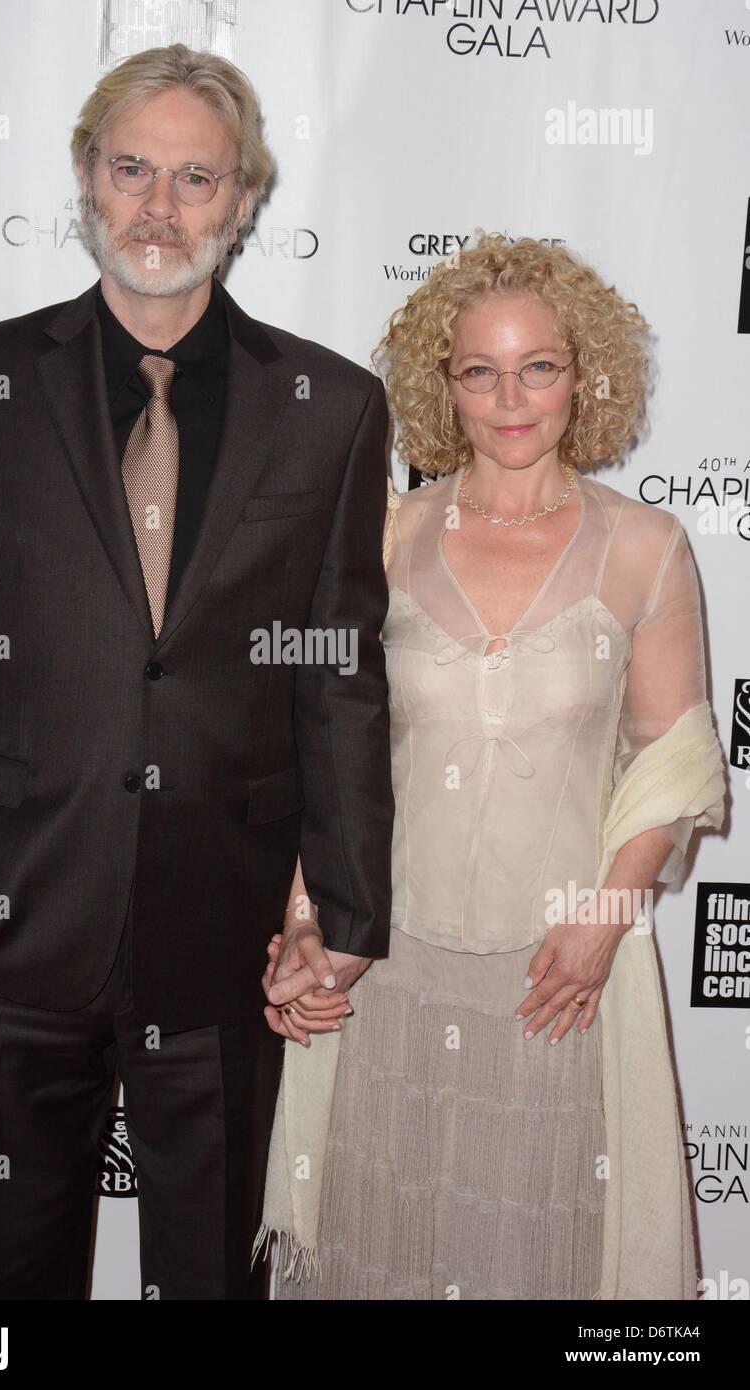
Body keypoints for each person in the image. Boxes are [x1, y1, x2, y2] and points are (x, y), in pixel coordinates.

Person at [0, 43, 393, 1300]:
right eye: (132, 170)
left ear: (244, 200)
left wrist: (341, 906)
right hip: (11, 928)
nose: (160, 206)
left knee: (217, 1280)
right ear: (85, 179)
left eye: (196, 179)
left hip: (223, 947)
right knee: (3, 1287)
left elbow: (334, 671)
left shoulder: (329, 405)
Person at [258, 233, 726, 1300]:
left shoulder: (643, 545)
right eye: (479, 370)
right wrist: (301, 922)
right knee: (379, 1248)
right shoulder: (378, 536)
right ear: (443, 385)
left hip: (555, 979)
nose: (509, 398)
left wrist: (605, 917)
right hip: (389, 970)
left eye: (538, 366)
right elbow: (333, 758)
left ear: (582, 374)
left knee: (538, 1261)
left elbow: (673, 756)